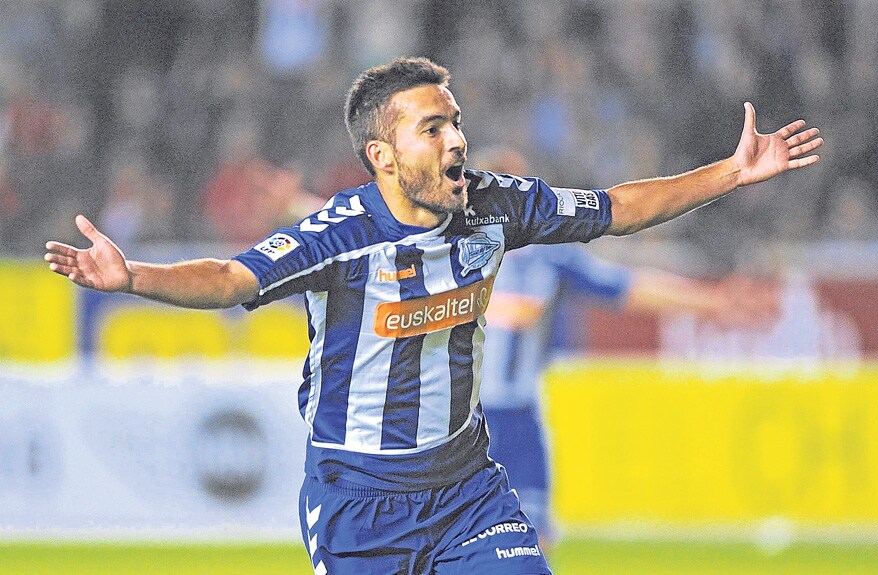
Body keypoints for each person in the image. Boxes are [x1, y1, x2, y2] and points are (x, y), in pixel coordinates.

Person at [45, 57, 822, 574]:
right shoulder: (341, 238)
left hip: (468, 488)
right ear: (383, 156)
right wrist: (132, 276)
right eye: (433, 128)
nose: (458, 139)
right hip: (358, 500)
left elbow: (616, 208)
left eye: (456, 121)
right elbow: (227, 276)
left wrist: (730, 171)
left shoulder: (494, 205)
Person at [474, 146, 781, 549]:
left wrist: (714, 302)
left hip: (521, 418)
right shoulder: (457, 252)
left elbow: (630, 287)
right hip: (467, 423)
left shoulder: (551, 258)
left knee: (535, 540)